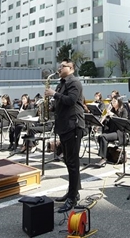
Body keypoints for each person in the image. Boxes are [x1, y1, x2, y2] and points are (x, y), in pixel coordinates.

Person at [45, 58, 85, 213]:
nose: (59, 68)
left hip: (73, 126)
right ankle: (72, 192)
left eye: (62, 66)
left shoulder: (74, 82)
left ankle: (72, 198)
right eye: (59, 66)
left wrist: (54, 94)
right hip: (64, 126)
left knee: (73, 163)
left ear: (71, 68)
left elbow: (71, 100)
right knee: (68, 162)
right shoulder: (61, 83)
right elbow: (60, 103)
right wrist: (50, 106)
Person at [97, 97, 128, 165]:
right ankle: (105, 154)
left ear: (118, 102)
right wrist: (104, 118)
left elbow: (123, 122)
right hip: (112, 131)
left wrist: (113, 115)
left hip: (119, 132)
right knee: (99, 137)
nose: (112, 103)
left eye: (114, 101)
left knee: (103, 137)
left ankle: (103, 158)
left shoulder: (123, 111)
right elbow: (108, 123)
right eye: (112, 102)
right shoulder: (112, 110)